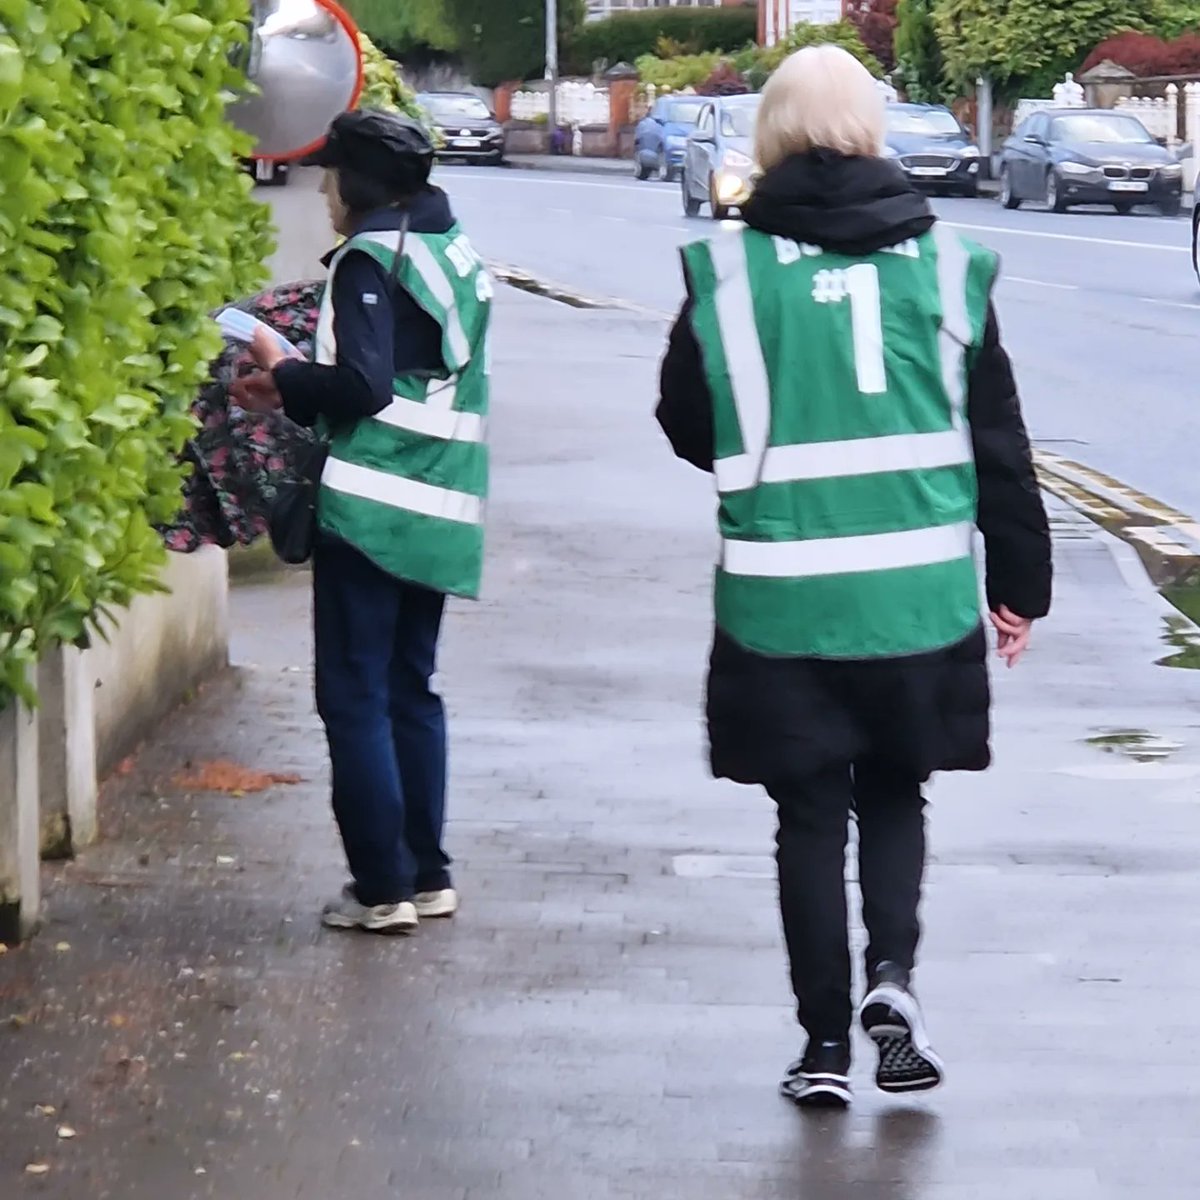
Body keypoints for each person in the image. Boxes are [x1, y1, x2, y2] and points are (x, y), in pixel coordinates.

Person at [656, 47, 1052, 1107]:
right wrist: (1020, 583)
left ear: (771, 136)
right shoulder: (951, 267)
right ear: (873, 129)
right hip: (915, 597)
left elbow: (688, 427)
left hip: (782, 598)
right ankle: (894, 982)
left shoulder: (728, 274)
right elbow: (1001, 444)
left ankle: (823, 1044)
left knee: (806, 817)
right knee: (895, 794)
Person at [232, 109, 492, 935]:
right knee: (412, 688)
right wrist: (302, 388)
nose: (323, 189)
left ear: (359, 183)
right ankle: (429, 873)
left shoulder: (372, 260)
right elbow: (414, 377)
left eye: (331, 174)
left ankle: (381, 889)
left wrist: (283, 365)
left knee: (352, 695)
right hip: (444, 504)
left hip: (376, 504)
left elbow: (370, 385)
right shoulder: (456, 254)